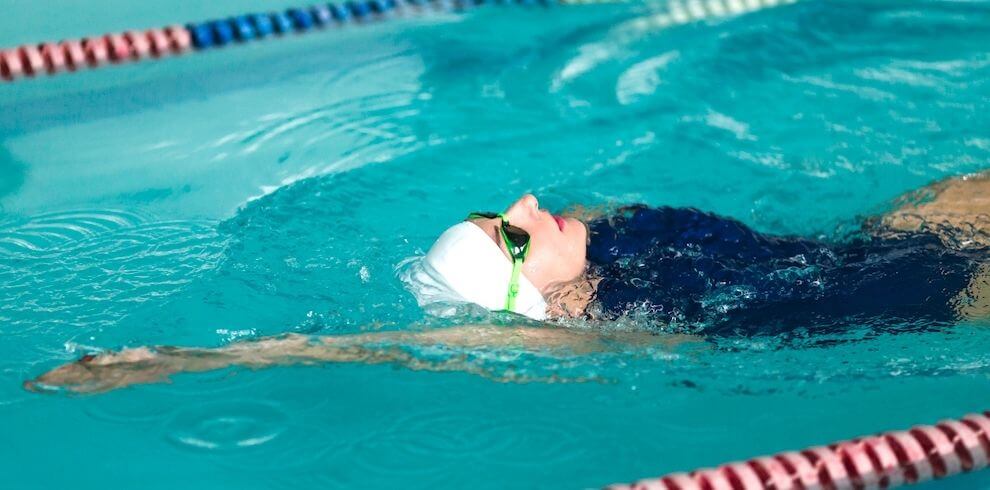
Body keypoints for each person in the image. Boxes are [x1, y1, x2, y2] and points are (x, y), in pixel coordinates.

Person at [25, 172, 990, 394]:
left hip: (874, 237)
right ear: (527, 295)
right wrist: (180, 363)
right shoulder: (632, 325)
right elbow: (395, 345)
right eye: (511, 228)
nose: (529, 202)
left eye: (505, 209)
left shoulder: (618, 245)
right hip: (919, 290)